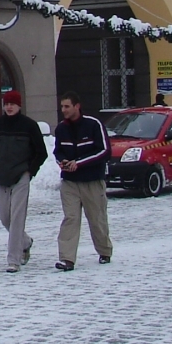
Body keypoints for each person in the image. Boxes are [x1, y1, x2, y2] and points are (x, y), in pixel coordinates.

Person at [0, 90, 48, 273]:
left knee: (17, 218)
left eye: (12, 104)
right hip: (2, 177)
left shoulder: (29, 126)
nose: (9, 107)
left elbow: (41, 153)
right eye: (6, 104)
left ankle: (14, 259)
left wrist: (29, 171)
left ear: (19, 105)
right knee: (6, 218)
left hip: (21, 176)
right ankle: (25, 242)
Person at [52, 91, 113, 271]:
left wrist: (79, 163)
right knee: (70, 218)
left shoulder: (93, 124)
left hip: (92, 181)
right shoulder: (61, 128)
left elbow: (104, 151)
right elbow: (58, 151)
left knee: (97, 219)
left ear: (77, 106)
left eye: (67, 106)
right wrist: (62, 162)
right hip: (70, 183)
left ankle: (104, 250)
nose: (63, 110)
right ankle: (67, 258)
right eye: (62, 106)